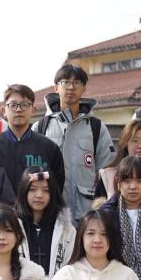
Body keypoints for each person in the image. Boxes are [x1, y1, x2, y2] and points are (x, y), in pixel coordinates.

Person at [32, 65, 116, 218]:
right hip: (50, 211)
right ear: (56, 87)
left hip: (86, 212)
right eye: (65, 82)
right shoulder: (41, 127)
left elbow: (108, 171)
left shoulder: (96, 127)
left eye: (77, 82)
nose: (71, 87)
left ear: (84, 88)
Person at [0, 84, 65, 191]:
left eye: (24, 105)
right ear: (4, 111)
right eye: (13, 105)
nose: (18, 109)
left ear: (33, 110)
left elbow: (56, 187)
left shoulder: (49, 147)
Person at [14, 167, 75, 276]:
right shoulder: (12, 227)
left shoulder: (66, 230)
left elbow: (71, 268)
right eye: (33, 189)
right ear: (24, 191)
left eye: (46, 190)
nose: (39, 195)